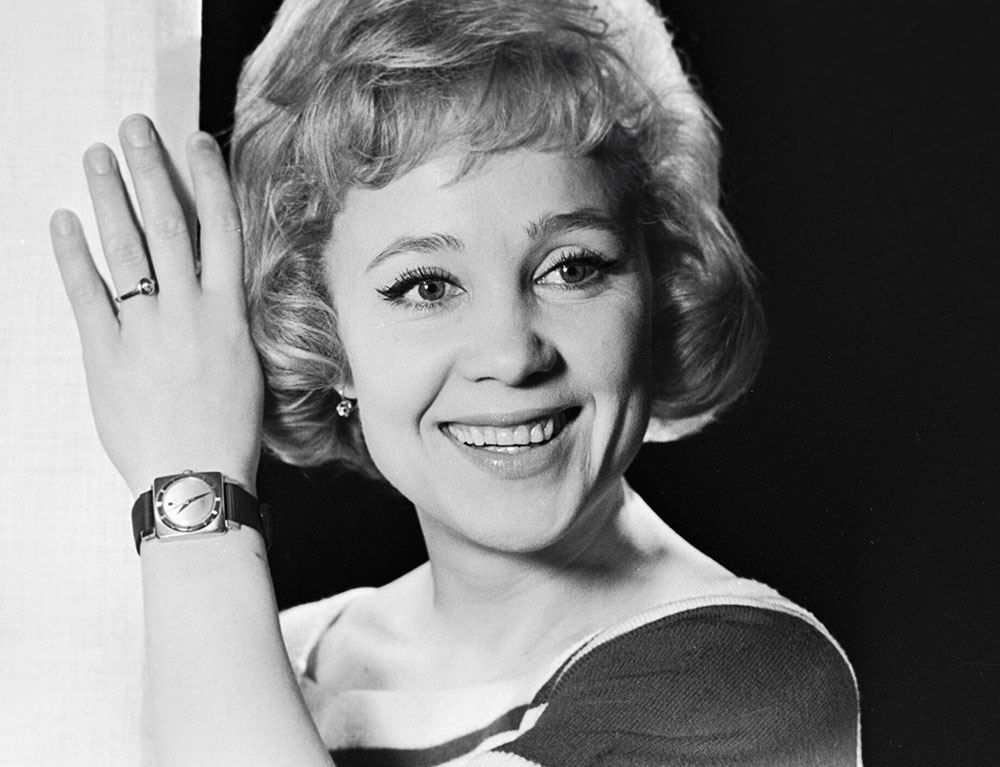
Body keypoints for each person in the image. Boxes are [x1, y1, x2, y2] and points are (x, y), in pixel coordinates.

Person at [49, 0, 860, 764]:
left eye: (572, 267)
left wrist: (191, 495)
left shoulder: (744, 677)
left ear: (657, 290)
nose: (511, 354)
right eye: (426, 286)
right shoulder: (278, 655)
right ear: (323, 334)